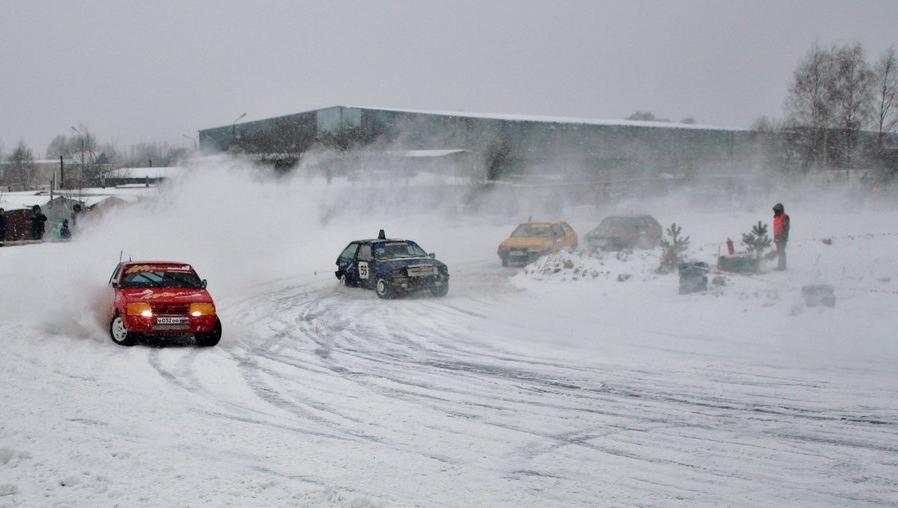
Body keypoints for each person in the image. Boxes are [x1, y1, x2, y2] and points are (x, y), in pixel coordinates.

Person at [772, 202, 790, 270]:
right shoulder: (776, 218)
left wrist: (782, 237)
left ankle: (782, 266)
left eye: (777, 210)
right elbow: (776, 228)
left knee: (781, 251)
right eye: (775, 210)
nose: (776, 211)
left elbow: (786, 228)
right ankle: (780, 265)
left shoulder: (785, 217)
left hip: (782, 237)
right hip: (777, 237)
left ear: (780, 210)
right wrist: (775, 237)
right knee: (779, 251)